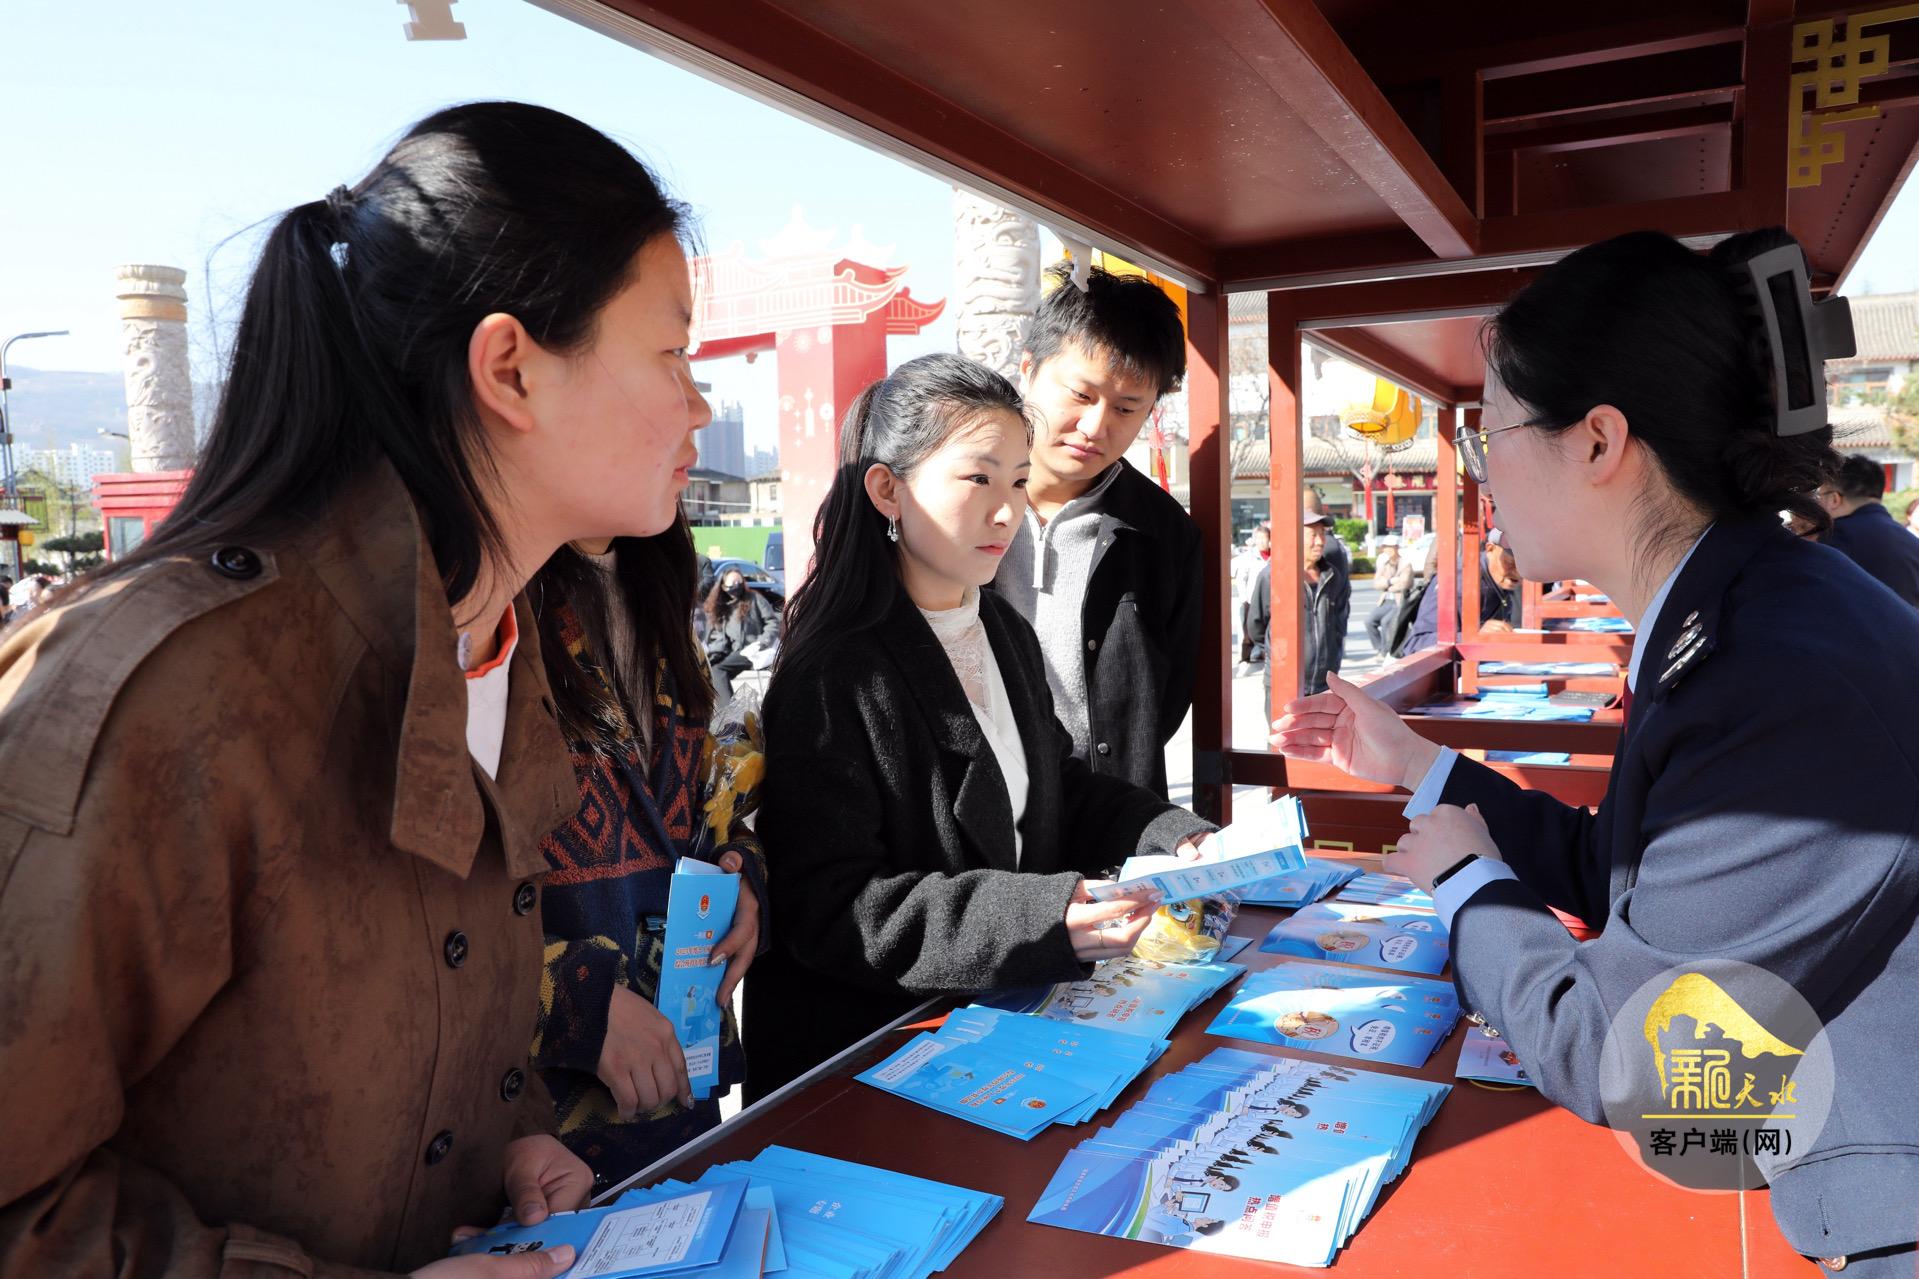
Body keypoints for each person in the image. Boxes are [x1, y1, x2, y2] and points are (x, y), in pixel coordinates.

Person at [0, 102, 727, 1277]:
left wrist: (503, 1139)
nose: (699, 404)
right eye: (673, 352)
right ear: (510, 369)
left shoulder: (502, 649)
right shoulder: (170, 690)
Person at [1270, 228, 1919, 1275]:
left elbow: (1624, 1053)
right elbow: (1633, 871)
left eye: (1488, 433)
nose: (1479, 475)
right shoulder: (1748, 602)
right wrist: (1416, 766)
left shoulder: (1772, 669)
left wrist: (1464, 883)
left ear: (1596, 441)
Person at [746, 353, 1213, 1100]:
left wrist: (1171, 833)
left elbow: (1054, 784)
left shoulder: (1000, 627)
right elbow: (832, 905)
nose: (1007, 511)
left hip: (994, 1031)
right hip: (874, 1062)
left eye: (1019, 481)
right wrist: (1041, 916)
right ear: (887, 489)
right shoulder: (834, 672)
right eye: (978, 479)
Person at [526, 532, 768, 1179]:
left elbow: (698, 807)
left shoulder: (658, 592)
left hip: (682, 1098)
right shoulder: (487, 611)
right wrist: (579, 1000)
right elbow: (408, 918)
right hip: (534, 1141)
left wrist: (738, 869)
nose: (685, 486)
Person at [992, 264, 1199, 799]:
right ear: (1028, 369)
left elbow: (1167, 698)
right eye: (1081, 396)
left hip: (1109, 813)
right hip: (976, 812)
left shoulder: (1164, 534)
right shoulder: (959, 498)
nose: (1095, 427)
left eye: (1127, 408)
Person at [1817, 454, 1919, 607]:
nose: (1817, 504)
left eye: (1819, 496)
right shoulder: (1912, 542)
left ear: (1834, 499)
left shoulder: (1836, 537)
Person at [702, 566, 781, 705]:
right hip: (731, 650)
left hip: (752, 650)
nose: (736, 586)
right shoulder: (721, 605)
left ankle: (729, 710)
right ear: (723, 586)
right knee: (708, 666)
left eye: (739, 582)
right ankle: (717, 706)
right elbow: (719, 637)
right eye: (732, 583)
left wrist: (762, 642)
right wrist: (711, 650)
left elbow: (772, 622)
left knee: (718, 670)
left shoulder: (754, 598)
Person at [1366, 534, 1409, 655]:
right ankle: (1379, 648)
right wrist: (1390, 582)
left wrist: (1386, 584)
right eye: (1386, 547)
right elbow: (1376, 583)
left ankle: (1386, 652)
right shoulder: (1384, 564)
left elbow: (1405, 583)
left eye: (1390, 547)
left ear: (1397, 547)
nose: (1388, 550)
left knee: (1386, 622)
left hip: (1398, 602)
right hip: (1385, 601)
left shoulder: (1405, 564)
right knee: (1369, 621)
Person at [1479, 540, 1523, 631]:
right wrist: (1479, 632)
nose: (1518, 574)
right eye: (1510, 563)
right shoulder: (1465, 581)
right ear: (1490, 549)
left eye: (1524, 569)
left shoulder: (1496, 577)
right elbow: (1447, 633)